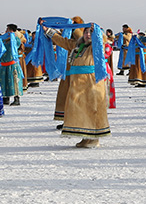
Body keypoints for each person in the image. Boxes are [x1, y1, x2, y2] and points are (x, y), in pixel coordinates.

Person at [44, 20, 110, 148]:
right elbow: (63, 41)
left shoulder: (95, 47)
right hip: (78, 83)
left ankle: (95, 138)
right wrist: (48, 31)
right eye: (86, 33)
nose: (88, 35)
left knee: (92, 109)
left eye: (91, 33)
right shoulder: (77, 45)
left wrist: (94, 29)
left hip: (92, 83)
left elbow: (101, 41)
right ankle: (86, 136)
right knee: (81, 110)